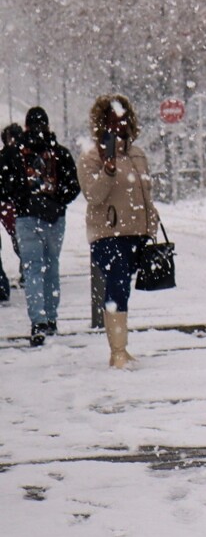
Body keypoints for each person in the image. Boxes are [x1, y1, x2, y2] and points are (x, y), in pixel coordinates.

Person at [77, 94, 159, 369]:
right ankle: (118, 351)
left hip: (136, 232)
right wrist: (108, 170)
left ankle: (121, 347)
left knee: (123, 288)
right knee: (117, 284)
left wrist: (152, 224)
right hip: (108, 234)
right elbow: (93, 195)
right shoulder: (92, 157)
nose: (119, 125)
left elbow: (145, 192)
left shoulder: (137, 155)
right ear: (102, 123)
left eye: (123, 119)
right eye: (112, 120)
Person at [0, 107, 81, 346]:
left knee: (33, 268)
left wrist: (21, 199)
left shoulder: (12, 154)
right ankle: (52, 317)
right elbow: (73, 186)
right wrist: (56, 202)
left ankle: (38, 321)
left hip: (26, 218)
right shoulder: (60, 153)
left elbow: (3, 186)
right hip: (54, 219)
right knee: (51, 266)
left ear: (25, 126)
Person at [0, 124, 19, 303]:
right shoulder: (21, 155)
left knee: (18, 239)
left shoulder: (5, 157)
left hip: (8, 202)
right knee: (19, 239)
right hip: (13, 202)